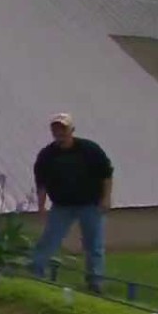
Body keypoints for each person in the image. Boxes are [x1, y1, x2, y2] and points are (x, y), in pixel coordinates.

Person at [29, 113, 113, 294]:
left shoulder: (89, 150)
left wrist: (106, 198)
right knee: (49, 240)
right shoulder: (47, 155)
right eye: (56, 129)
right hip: (62, 206)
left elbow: (106, 174)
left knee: (94, 245)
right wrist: (41, 206)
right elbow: (41, 183)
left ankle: (95, 282)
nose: (59, 132)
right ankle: (36, 274)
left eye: (63, 129)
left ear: (72, 130)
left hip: (90, 204)